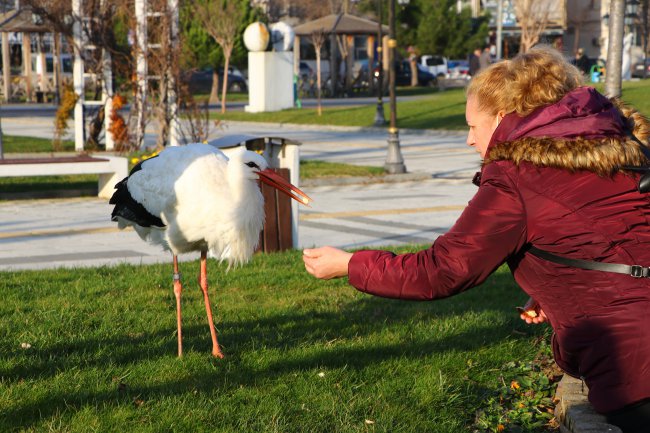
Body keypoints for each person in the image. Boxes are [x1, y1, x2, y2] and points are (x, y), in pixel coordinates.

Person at [303, 45, 650, 433]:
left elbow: (443, 270)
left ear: (502, 117)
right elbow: (606, 236)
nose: (469, 140)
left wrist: (350, 264)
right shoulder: (618, 145)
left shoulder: (519, 174)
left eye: (472, 126)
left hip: (634, 362)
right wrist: (552, 287)